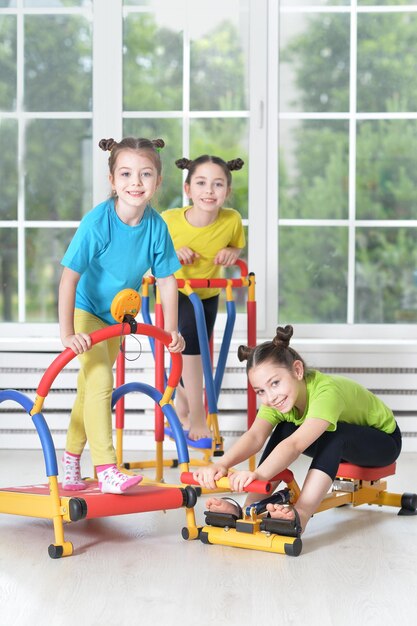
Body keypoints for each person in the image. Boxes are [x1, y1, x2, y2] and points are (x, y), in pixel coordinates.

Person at [59, 136, 185, 494]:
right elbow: (69, 278)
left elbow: (166, 281)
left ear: (158, 182)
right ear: (112, 180)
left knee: (90, 390)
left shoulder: (157, 227)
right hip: (86, 311)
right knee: (100, 380)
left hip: (117, 318)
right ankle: (106, 468)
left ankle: (70, 460)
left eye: (146, 174)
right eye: (127, 174)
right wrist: (67, 333)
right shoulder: (98, 223)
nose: (136, 182)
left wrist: (171, 330)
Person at [193, 325, 402, 534]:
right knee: (286, 427)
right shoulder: (277, 401)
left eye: (275, 383)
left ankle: (301, 513)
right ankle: (249, 510)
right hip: (344, 444)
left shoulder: (325, 393)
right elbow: (255, 436)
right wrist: (221, 464)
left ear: (298, 370)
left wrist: (258, 474)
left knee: (334, 436)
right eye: (261, 391)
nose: (270, 397)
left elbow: (295, 445)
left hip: (383, 443)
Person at [161, 155, 246, 440]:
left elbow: (235, 247)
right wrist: (174, 254)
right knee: (192, 352)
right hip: (177, 293)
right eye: (201, 183)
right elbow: (152, 258)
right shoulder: (169, 220)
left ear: (227, 192)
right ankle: (197, 418)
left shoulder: (232, 219)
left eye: (217, 184)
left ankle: (180, 398)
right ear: (188, 189)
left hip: (208, 294)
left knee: (196, 356)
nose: (209, 191)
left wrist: (233, 254)